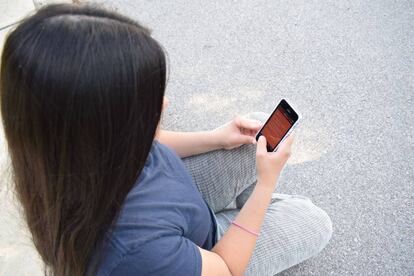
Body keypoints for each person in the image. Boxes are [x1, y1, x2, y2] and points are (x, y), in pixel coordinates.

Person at [0, 4, 332, 276]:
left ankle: (247, 214)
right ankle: (249, 217)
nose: (164, 105)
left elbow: (152, 141)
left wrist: (216, 137)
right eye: (147, 103)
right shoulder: (138, 249)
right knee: (315, 221)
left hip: (180, 204)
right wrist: (265, 187)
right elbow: (226, 269)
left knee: (255, 135)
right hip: (205, 251)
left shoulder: (61, 154)